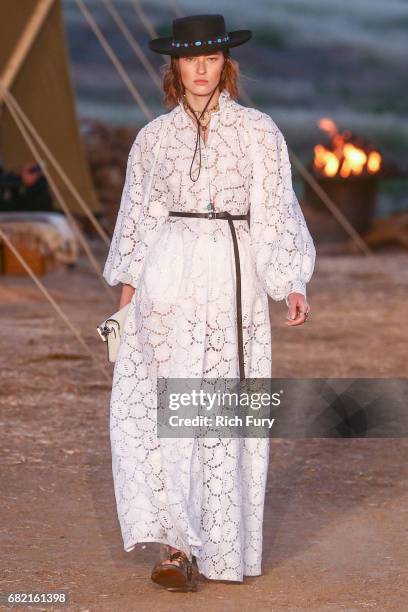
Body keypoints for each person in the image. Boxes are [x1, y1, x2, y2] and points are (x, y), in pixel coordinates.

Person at [103, 14, 316, 592]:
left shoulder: (258, 131)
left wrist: (290, 282)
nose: (201, 68)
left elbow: (275, 212)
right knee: (157, 414)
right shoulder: (152, 138)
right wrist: (123, 313)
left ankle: (220, 547)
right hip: (165, 283)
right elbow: (136, 226)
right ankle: (176, 549)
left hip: (230, 282)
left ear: (227, 65)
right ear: (175, 65)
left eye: (212, 58)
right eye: (190, 58)